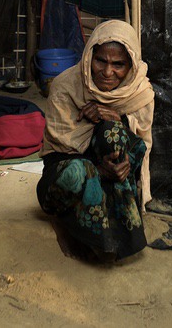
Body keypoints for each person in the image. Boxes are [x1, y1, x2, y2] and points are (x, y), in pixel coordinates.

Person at [37, 19, 155, 261]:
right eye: (101, 60)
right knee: (79, 172)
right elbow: (61, 151)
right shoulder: (66, 86)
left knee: (114, 133)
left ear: (131, 65)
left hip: (112, 171)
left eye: (118, 64)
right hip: (68, 172)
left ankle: (115, 229)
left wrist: (115, 118)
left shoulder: (139, 93)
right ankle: (65, 223)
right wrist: (98, 170)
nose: (108, 72)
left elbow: (140, 147)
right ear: (90, 55)